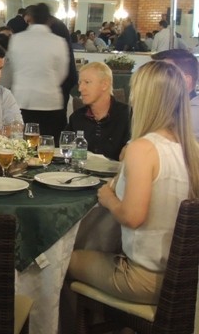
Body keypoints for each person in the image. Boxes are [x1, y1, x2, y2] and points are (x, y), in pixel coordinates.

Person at [68, 61, 199, 304]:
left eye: (135, 92)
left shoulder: (143, 149)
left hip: (144, 278)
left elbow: (132, 217)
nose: (132, 99)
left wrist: (109, 198)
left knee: (61, 260)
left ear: (146, 98)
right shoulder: (191, 148)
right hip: (185, 278)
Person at [7, 3, 70, 140]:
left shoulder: (16, 39)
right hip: (49, 101)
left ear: (30, 18)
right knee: (49, 144)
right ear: (49, 20)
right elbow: (62, 73)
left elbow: (12, 68)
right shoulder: (58, 42)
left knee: (22, 145)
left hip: (22, 99)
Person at [66, 62, 130, 160]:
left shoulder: (128, 116)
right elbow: (64, 151)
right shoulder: (76, 118)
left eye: (87, 82)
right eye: (80, 83)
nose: (80, 88)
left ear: (104, 85)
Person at [151, 48, 199, 139]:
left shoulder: (190, 115)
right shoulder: (173, 108)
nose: (154, 80)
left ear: (186, 81)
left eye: (163, 74)